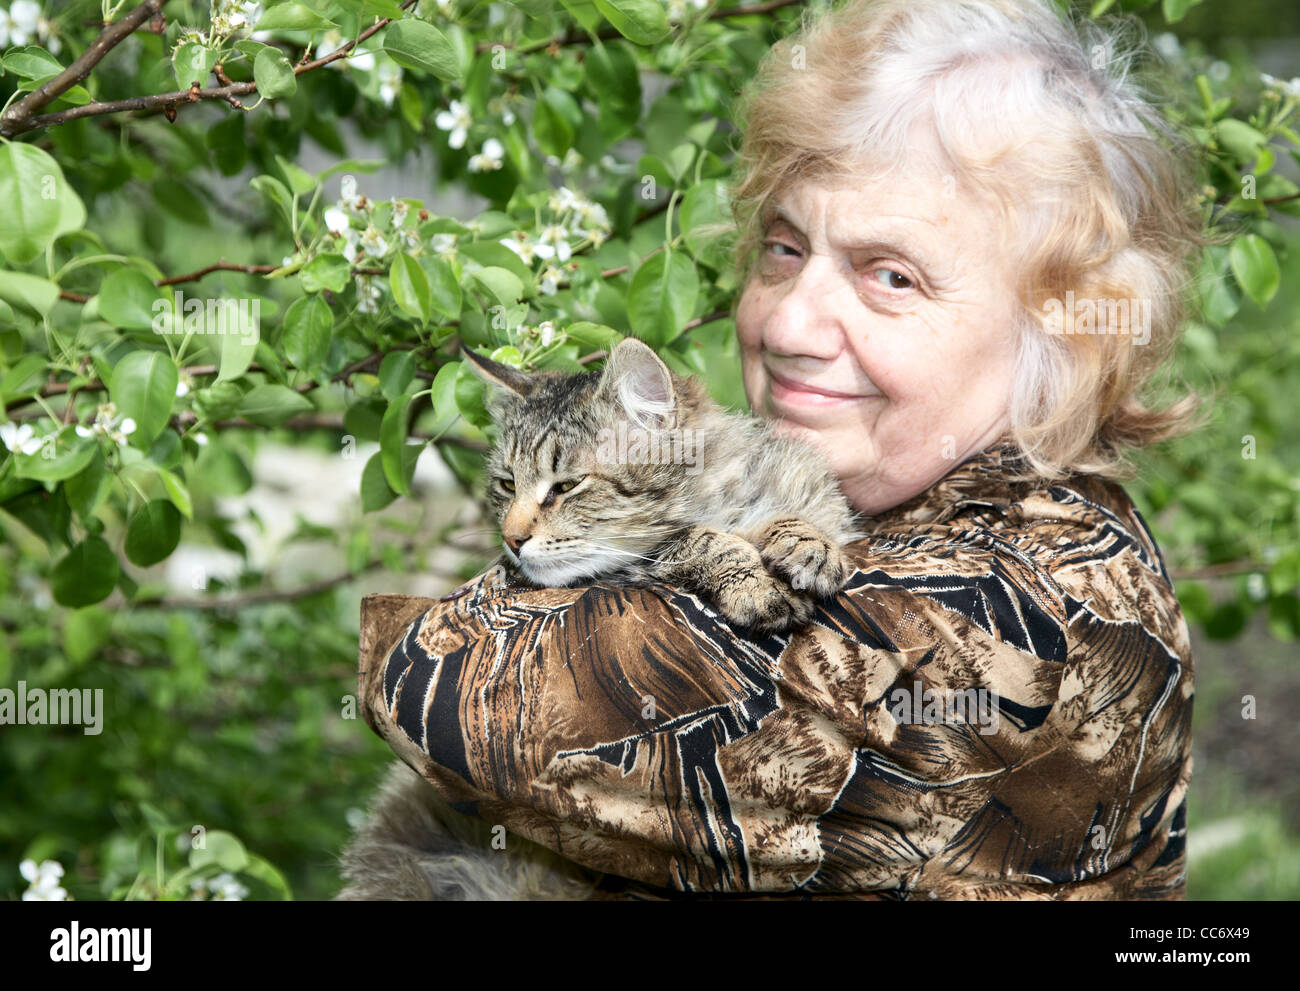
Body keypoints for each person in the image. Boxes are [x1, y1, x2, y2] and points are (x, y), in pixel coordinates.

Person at [338, 0, 1204, 900]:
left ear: (1063, 332)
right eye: (784, 248)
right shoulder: (899, 508)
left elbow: (454, 687)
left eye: (891, 276)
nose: (788, 322)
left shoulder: (1011, 607)